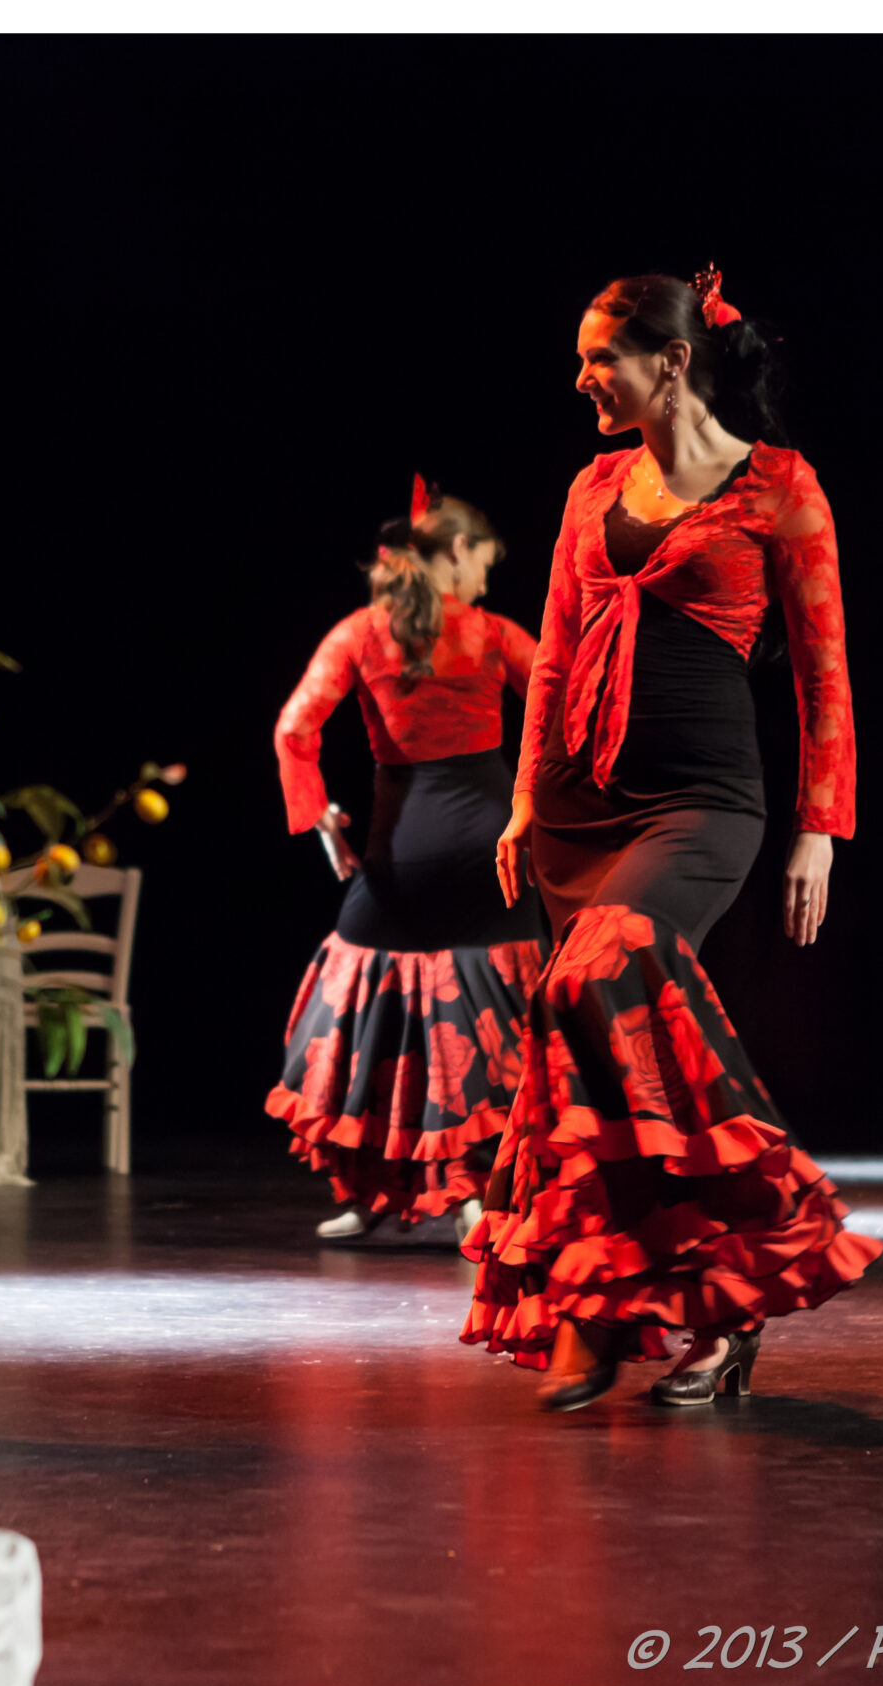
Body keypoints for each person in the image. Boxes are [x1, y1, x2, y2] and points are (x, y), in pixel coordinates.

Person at [464, 267, 882, 1412]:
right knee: (592, 1044)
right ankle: (614, 1309)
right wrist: (516, 800)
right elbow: (552, 652)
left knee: (596, 981)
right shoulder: (591, 485)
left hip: (704, 800)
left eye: (602, 358)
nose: (583, 378)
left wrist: (819, 829)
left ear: (673, 361)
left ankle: (741, 1248)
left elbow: (822, 673)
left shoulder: (778, 489)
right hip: (573, 807)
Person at [269, 484, 546, 1243]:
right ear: (455, 554)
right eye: (485, 563)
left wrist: (318, 814)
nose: (486, 581)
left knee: (371, 1009)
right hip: (489, 850)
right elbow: (565, 703)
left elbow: (294, 727)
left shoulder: (360, 633)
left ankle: (375, 1190)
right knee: (496, 1016)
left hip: (403, 851)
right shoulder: (492, 633)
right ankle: (476, 1193)